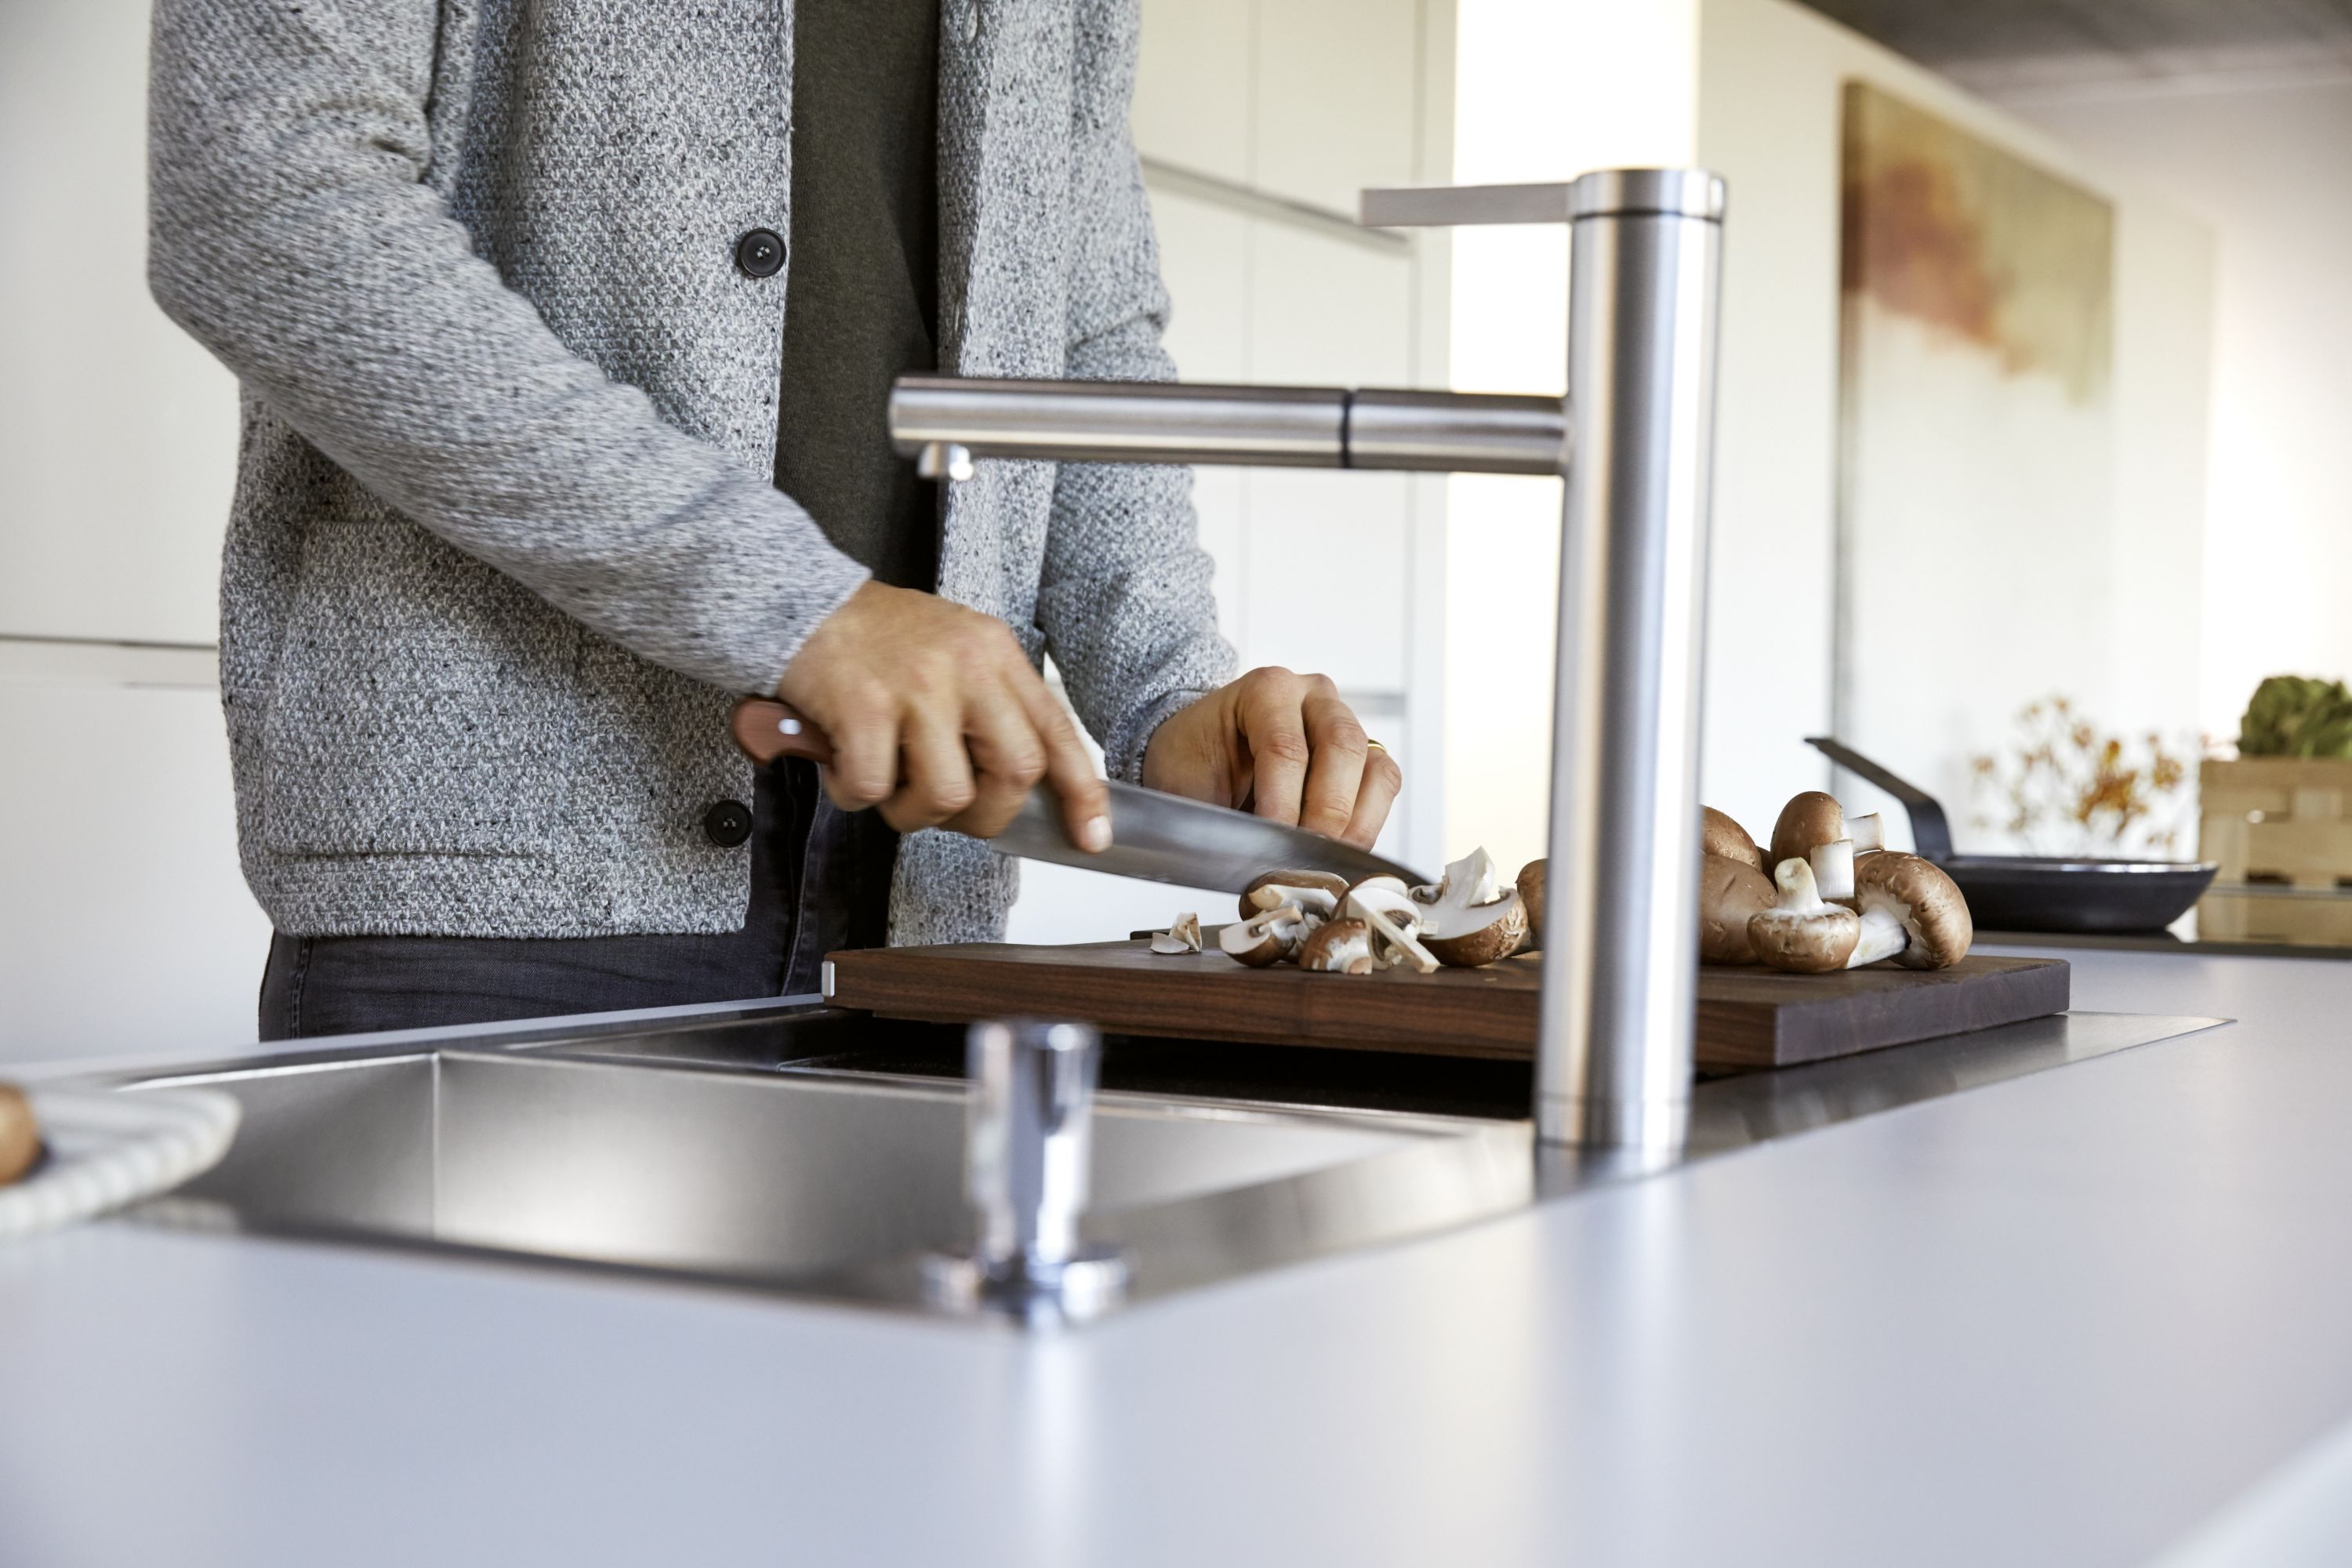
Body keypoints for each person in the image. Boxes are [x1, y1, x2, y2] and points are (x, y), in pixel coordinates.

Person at [146, 0, 1399, 1039]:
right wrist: (802, 613)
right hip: (503, 886)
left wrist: (1166, 692)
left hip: (922, 904)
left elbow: (1082, 327)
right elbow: (262, 190)